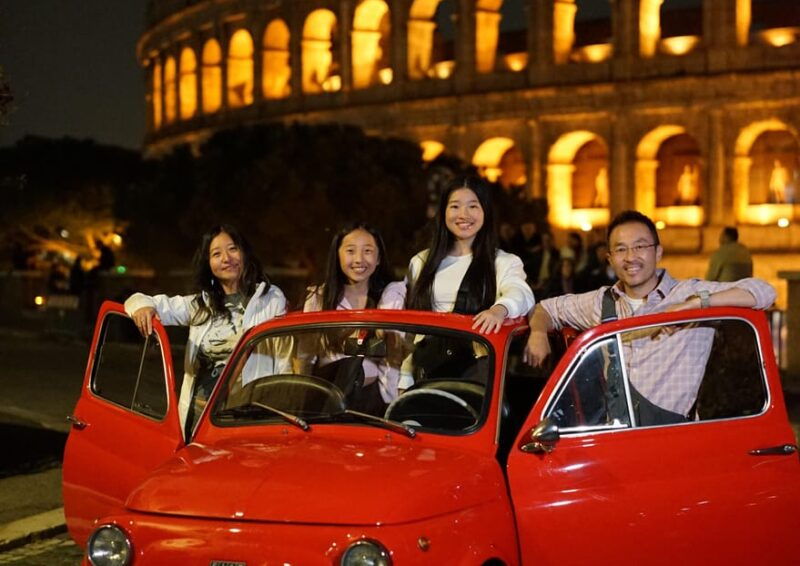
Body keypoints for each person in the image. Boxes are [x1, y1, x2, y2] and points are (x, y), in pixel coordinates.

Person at [525, 210, 775, 425]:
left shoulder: (686, 293)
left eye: (640, 246)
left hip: (670, 439)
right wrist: (538, 333)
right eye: (621, 249)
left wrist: (697, 305)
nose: (631, 257)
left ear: (658, 253)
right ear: (610, 259)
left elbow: (764, 292)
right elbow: (546, 308)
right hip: (613, 437)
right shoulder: (601, 302)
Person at [125, 224, 287, 435]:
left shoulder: (271, 298)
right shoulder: (200, 305)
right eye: (216, 253)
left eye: (233, 249)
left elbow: (284, 358)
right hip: (199, 416)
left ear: (245, 253)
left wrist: (281, 416)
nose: (226, 258)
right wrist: (141, 306)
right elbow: (140, 300)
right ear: (208, 263)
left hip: (247, 416)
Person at [403, 169, 535, 389]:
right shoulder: (421, 262)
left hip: (475, 377)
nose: (463, 215)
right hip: (425, 374)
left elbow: (521, 293)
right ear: (443, 212)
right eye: (454, 206)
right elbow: (411, 331)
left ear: (486, 212)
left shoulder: (503, 262)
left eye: (473, 206)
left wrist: (498, 310)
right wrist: (405, 377)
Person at [302, 222, 405, 411]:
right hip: (327, 400)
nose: (359, 259)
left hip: (378, 400)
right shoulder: (318, 299)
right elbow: (304, 357)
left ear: (379, 257)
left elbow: (395, 349)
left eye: (367, 251)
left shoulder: (391, 296)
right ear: (337, 255)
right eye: (350, 251)